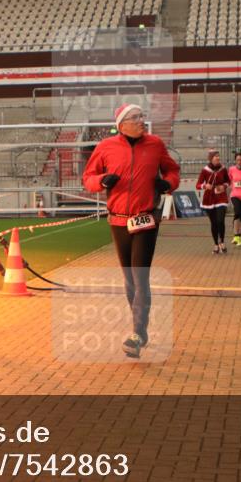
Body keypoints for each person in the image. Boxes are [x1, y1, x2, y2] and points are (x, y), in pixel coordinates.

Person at [82, 103, 180, 359]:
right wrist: (101, 181)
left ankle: (137, 332)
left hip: (145, 218)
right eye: (135, 117)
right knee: (129, 279)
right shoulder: (106, 147)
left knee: (140, 276)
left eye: (142, 116)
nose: (141, 121)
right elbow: (88, 178)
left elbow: (172, 170)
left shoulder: (155, 144)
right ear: (122, 124)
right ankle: (141, 330)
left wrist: (167, 183)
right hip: (118, 221)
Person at [196, 150, 230, 253]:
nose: (218, 158)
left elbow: (228, 181)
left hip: (221, 197)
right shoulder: (205, 170)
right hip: (209, 199)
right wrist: (205, 186)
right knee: (214, 223)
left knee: (220, 221)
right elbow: (198, 185)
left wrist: (224, 186)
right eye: (216, 156)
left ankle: (222, 241)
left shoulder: (223, 169)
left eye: (218, 156)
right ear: (211, 158)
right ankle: (216, 244)